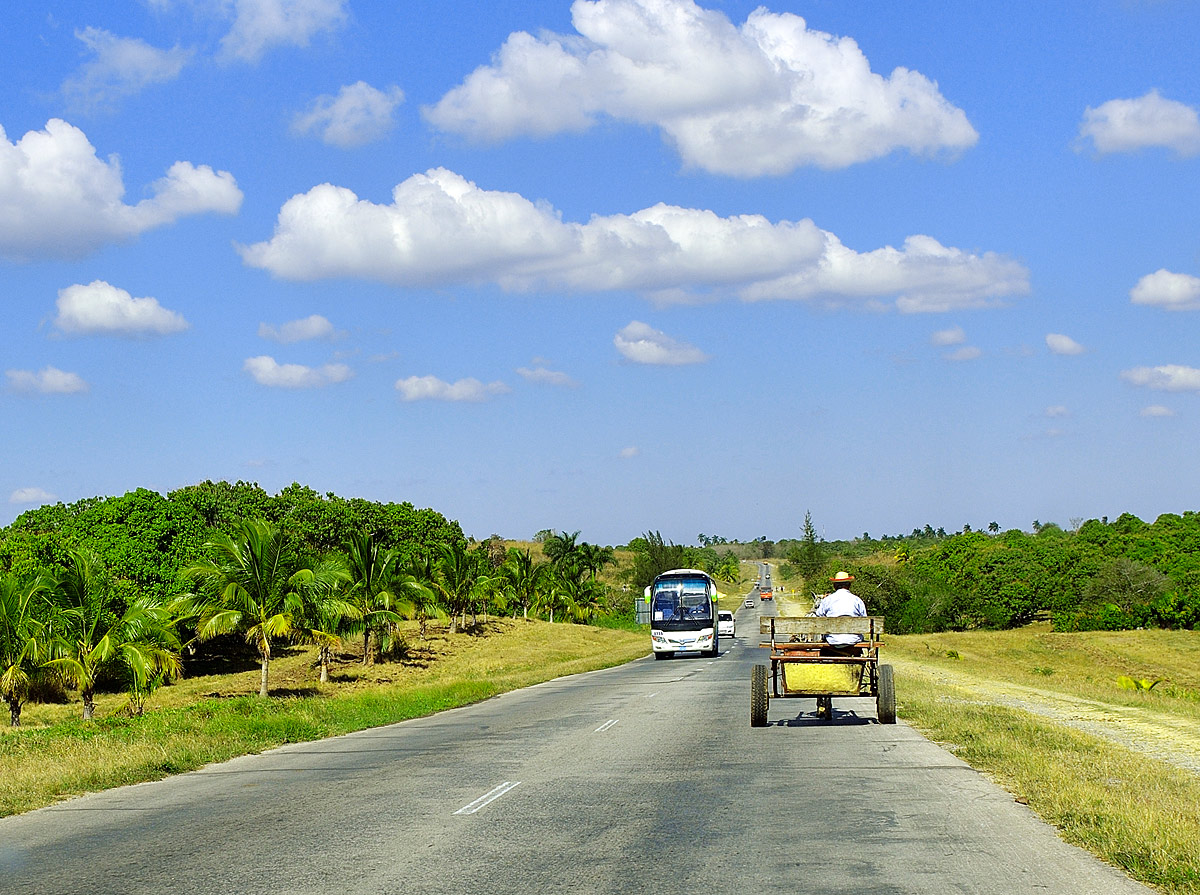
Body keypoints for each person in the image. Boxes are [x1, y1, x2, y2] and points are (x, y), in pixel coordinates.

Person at [813, 571, 867, 651]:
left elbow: (819, 616)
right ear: (849, 585)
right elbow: (865, 620)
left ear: (834, 586)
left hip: (833, 639)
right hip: (853, 639)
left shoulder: (827, 600)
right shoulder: (857, 600)